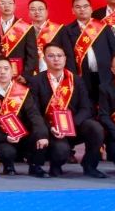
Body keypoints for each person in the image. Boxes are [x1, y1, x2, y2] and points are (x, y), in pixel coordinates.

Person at [28, 42, 106, 178]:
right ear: (44, 59)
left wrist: (71, 124)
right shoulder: (36, 81)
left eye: (59, 56)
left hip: (73, 125)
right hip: (50, 128)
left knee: (96, 128)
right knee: (61, 151)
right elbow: (35, 112)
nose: (56, 59)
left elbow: (86, 108)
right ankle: (55, 166)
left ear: (65, 58)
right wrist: (51, 127)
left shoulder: (76, 80)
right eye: (51, 56)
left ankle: (89, 165)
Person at [0, 56, 48, 174]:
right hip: (3, 136)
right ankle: (8, 166)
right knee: (7, 152)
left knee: (40, 135)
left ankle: (35, 166)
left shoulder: (23, 91)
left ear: (12, 71)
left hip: (24, 133)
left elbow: (34, 115)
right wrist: (4, 137)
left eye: (6, 68)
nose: (2, 72)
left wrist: (42, 134)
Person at [59, 0, 115, 102]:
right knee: (87, 102)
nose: (82, 9)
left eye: (85, 6)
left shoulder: (103, 27)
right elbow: (68, 55)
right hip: (83, 74)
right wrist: (74, 77)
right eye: (78, 7)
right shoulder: (67, 30)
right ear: (73, 11)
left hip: (106, 72)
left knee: (108, 101)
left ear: (91, 9)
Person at [0, 0, 37, 78]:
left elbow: (32, 54)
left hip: (19, 74)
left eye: (10, 3)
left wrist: (25, 75)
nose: (6, 6)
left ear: (15, 6)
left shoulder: (26, 27)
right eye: (3, 3)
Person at [26, 0, 62, 77]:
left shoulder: (59, 30)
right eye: (33, 9)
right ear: (28, 13)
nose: (37, 12)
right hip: (29, 75)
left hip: (54, 73)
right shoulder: (23, 31)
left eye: (40, 9)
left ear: (46, 11)